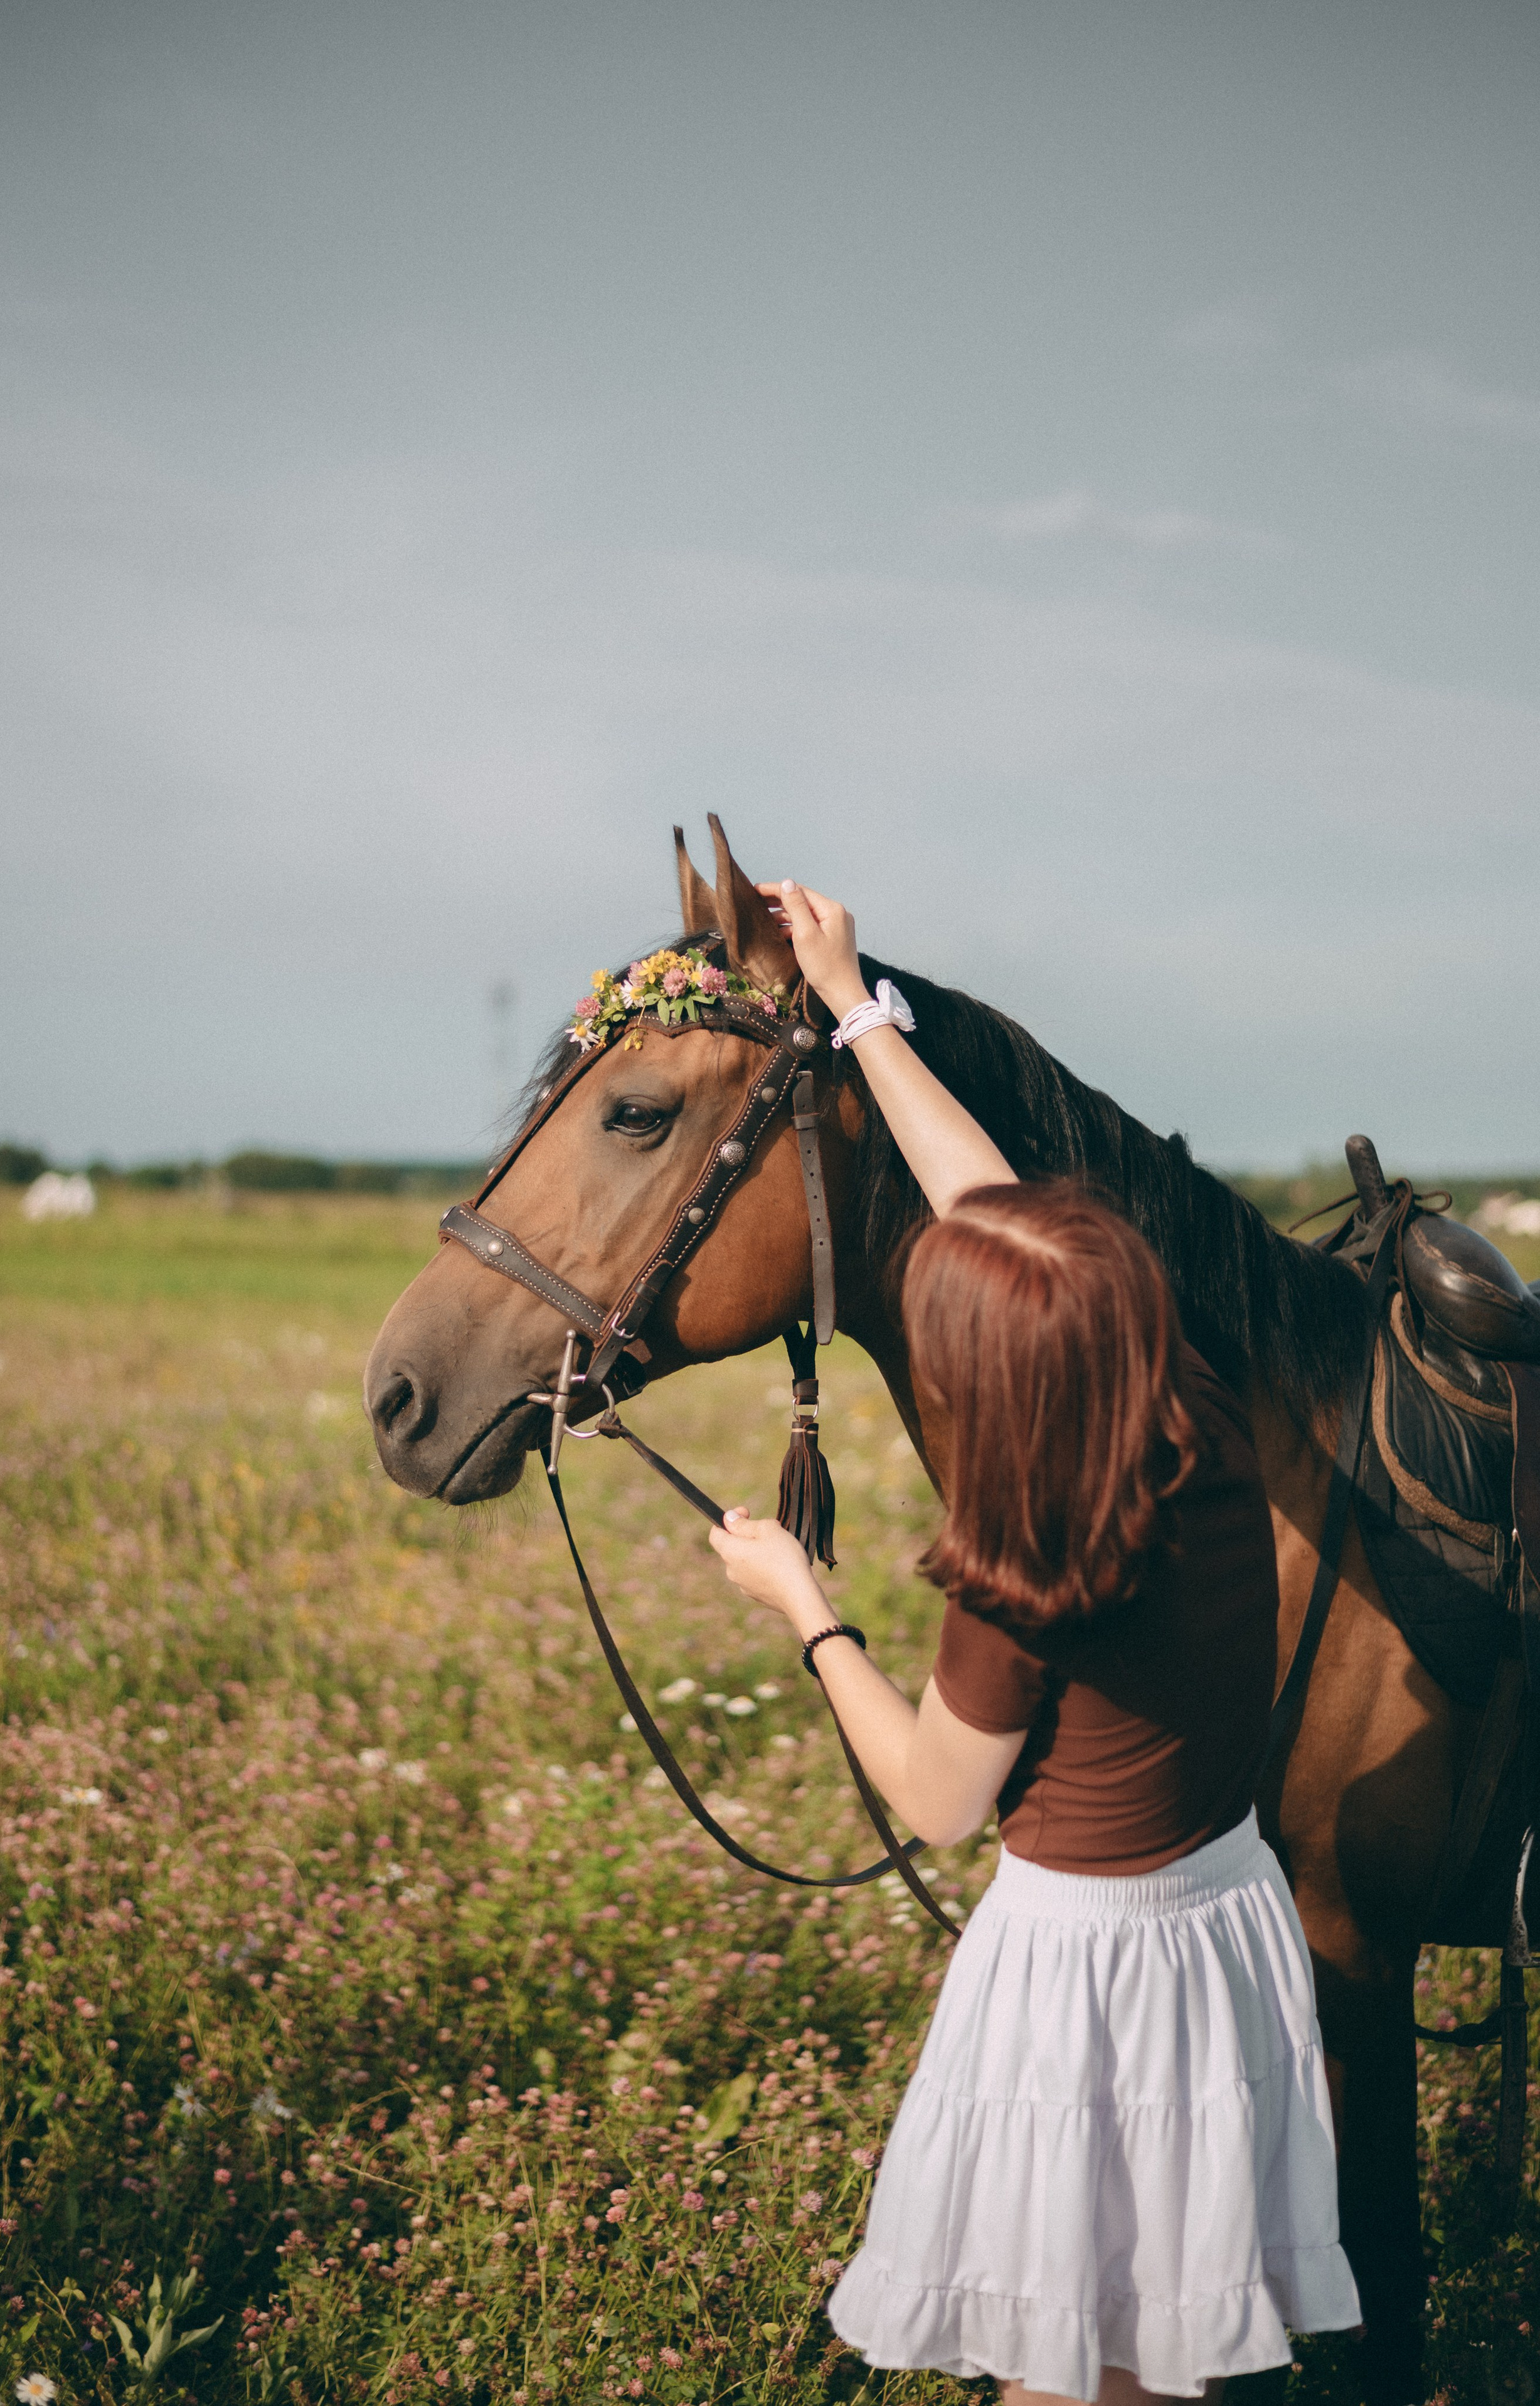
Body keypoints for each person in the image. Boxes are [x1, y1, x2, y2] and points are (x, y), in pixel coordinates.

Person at [708, 880, 1360, 2406]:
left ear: (992, 1379)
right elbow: (987, 1202)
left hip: (1092, 1982)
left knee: (1071, 2369)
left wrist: (807, 1615)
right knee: (1162, 2343)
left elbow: (935, 1801)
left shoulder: (1026, 1574)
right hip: (1219, 1924)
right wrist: (852, 1001)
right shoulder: (1185, 1401)